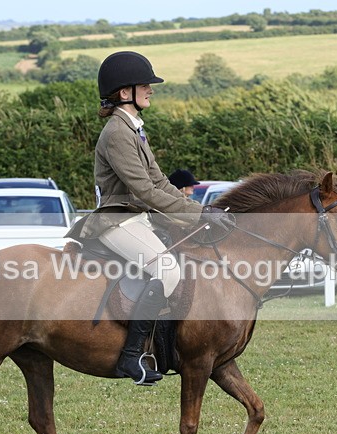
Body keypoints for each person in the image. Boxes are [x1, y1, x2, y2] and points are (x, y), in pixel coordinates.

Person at [66, 50, 230, 385]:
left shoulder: (135, 130)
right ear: (125, 93)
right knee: (166, 268)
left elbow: (160, 183)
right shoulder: (116, 133)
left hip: (136, 219)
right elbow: (143, 190)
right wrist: (198, 214)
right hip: (116, 221)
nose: (151, 90)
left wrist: (201, 211)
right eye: (145, 85)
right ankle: (130, 358)